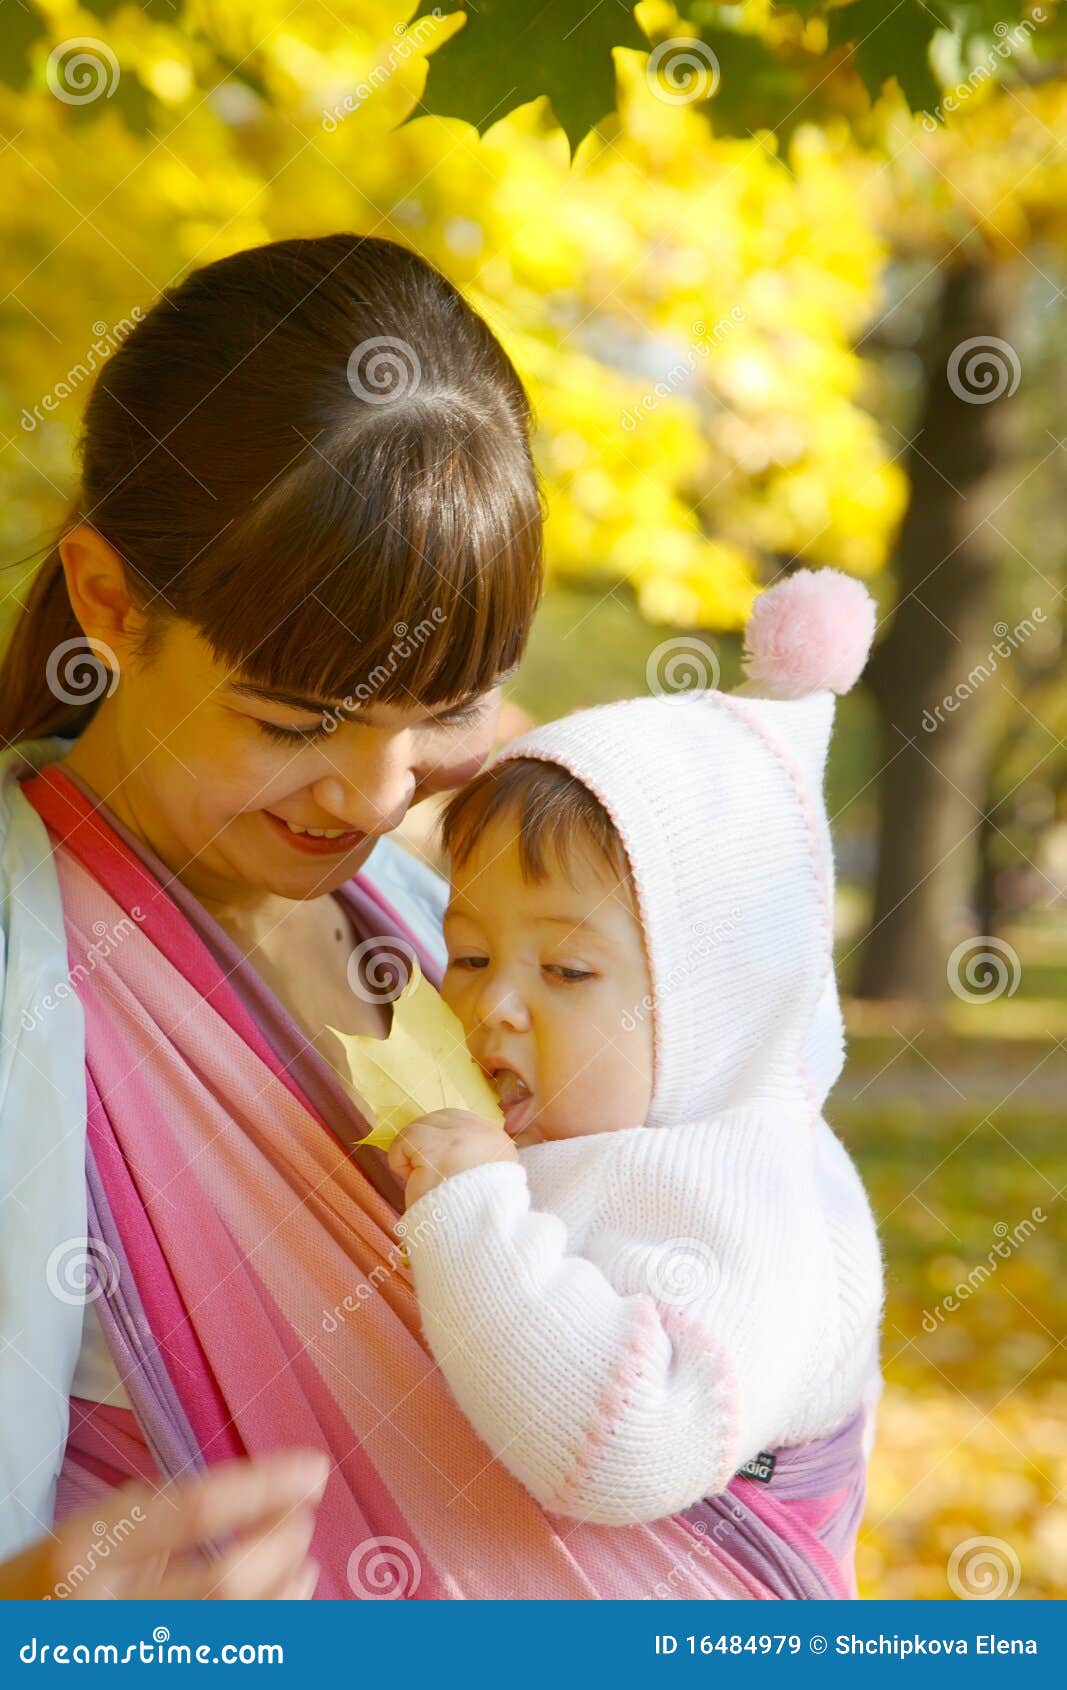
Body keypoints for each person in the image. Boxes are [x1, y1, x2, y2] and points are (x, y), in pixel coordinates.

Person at [0, 231, 868, 1600]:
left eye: (442, 714)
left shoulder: (429, 915)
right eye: (298, 722)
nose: (373, 792)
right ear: (110, 601)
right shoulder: (28, 974)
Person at [388, 571, 885, 1593]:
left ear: (715, 1006)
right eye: (471, 956)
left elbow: (624, 1441)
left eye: (567, 971)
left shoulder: (750, 1193)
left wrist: (472, 1209)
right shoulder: (599, 1133)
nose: (495, 1008)